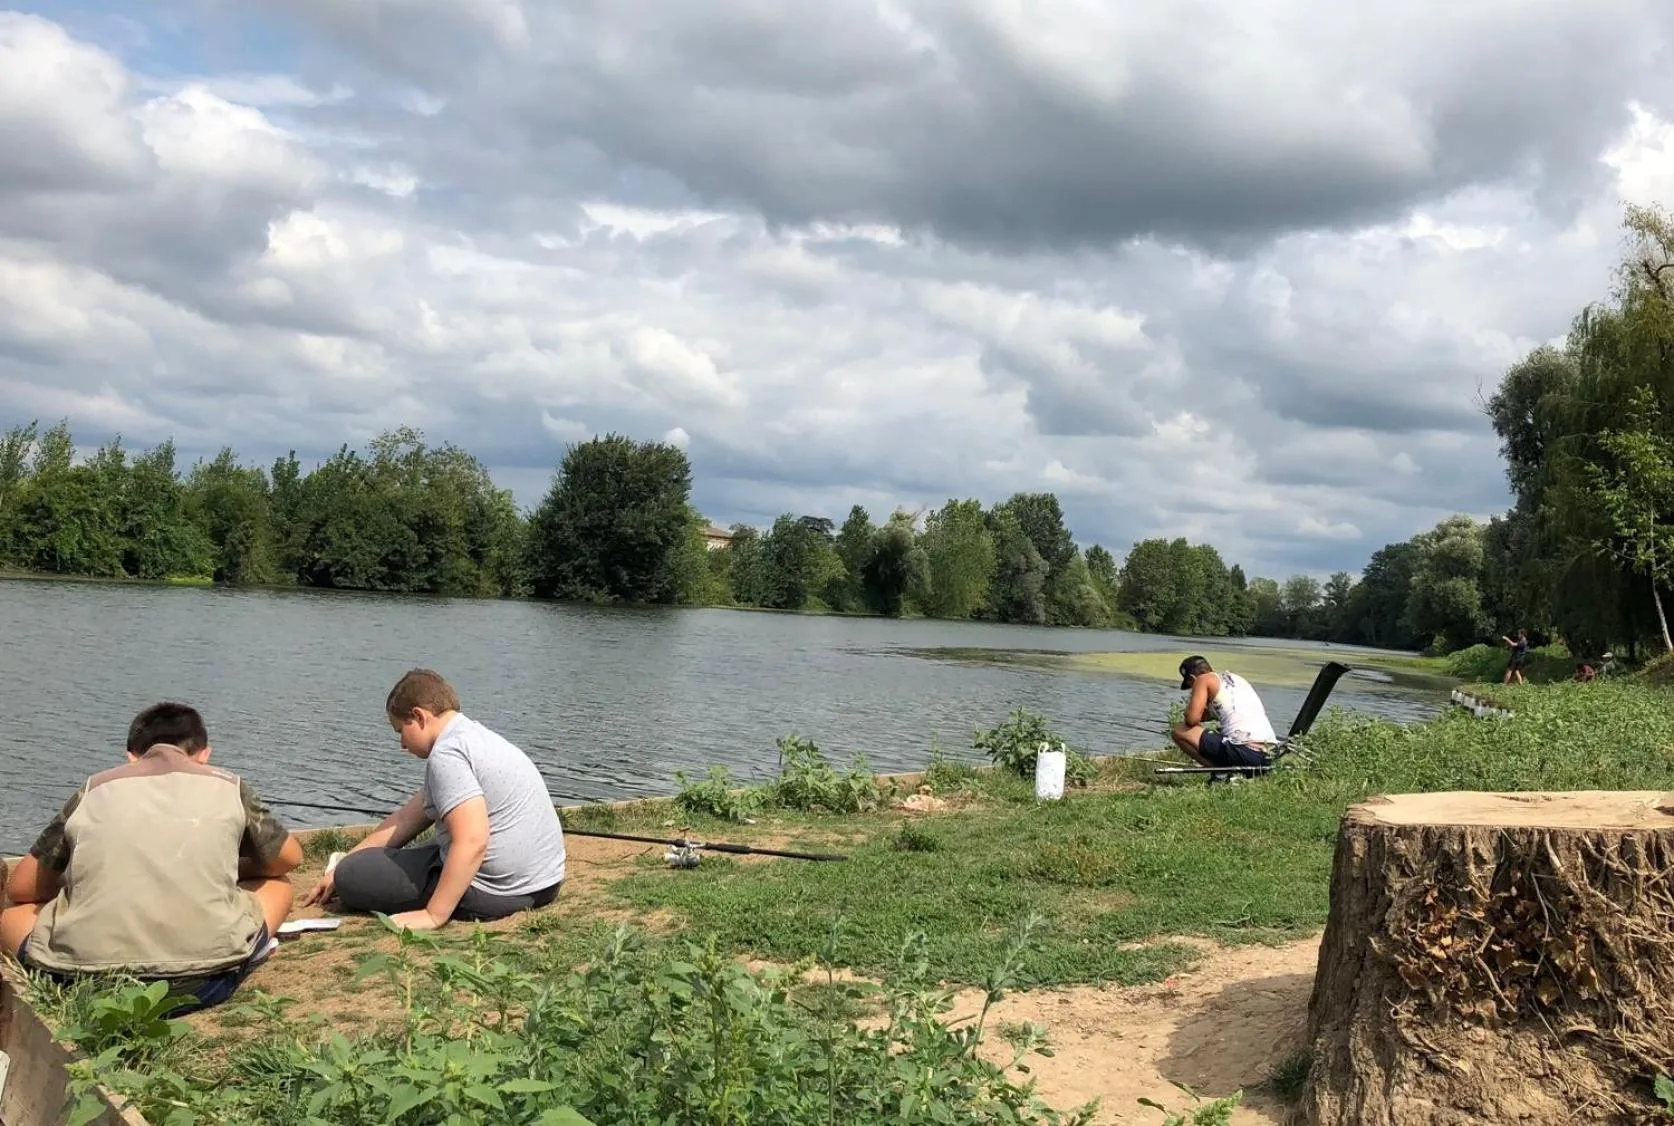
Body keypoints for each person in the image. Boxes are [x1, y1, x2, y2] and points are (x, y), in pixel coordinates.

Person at [0, 703, 301, 1014]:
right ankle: (250, 952)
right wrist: (229, 867)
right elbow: (289, 858)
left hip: (78, 980)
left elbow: (22, 888)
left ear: (131, 756)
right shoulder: (230, 786)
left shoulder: (93, 789)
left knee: (10, 917)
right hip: (205, 982)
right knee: (280, 885)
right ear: (204, 753)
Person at [304, 669, 566, 930]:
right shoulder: (476, 738)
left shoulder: (447, 756)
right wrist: (338, 867)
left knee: (352, 875)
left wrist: (433, 915)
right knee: (354, 864)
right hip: (544, 884)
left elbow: (473, 840)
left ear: (418, 716)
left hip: (496, 891)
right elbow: (407, 819)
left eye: (400, 732)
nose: (402, 746)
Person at [1171, 655, 1279, 776]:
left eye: (1191, 686)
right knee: (1223, 733)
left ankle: (1220, 774)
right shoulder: (1236, 679)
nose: (1192, 690)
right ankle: (1239, 773)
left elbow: (1192, 719)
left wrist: (1193, 702)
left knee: (1179, 730)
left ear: (1192, 678)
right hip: (1269, 756)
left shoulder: (1203, 680)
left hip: (1246, 752)